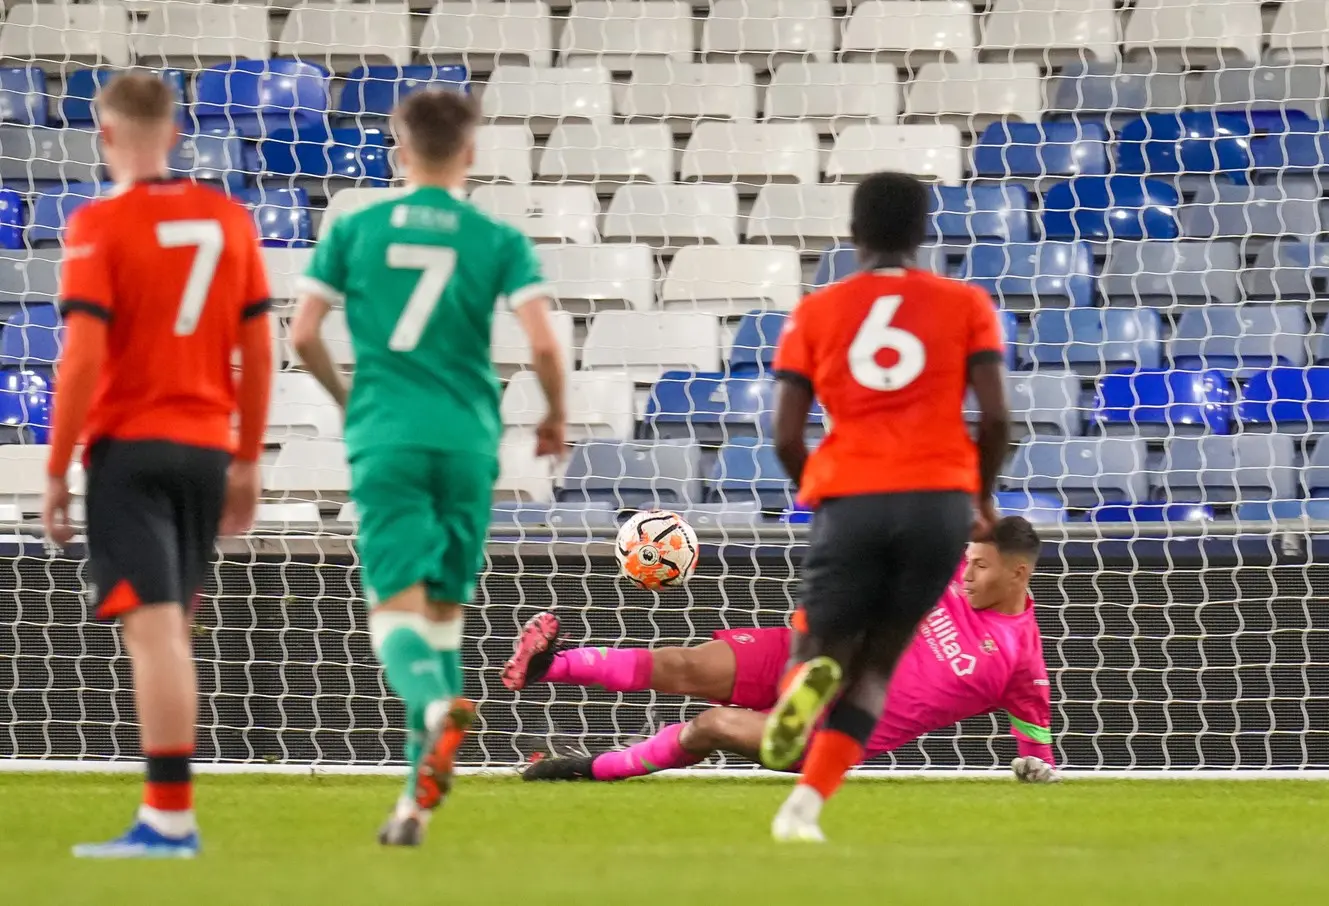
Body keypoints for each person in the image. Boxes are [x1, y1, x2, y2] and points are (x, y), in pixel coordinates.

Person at [290, 89, 567, 847]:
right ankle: (414, 807)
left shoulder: (355, 227)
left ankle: (437, 718)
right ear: (470, 152)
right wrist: (553, 415)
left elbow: (303, 331)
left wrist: (346, 398)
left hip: (389, 435)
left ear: (396, 151)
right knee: (443, 623)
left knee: (394, 618)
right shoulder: (495, 237)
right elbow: (544, 344)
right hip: (470, 442)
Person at [43, 73, 274, 858]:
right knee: (174, 627)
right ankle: (168, 816)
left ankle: (169, 820)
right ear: (176, 134)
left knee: (158, 633)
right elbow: (257, 346)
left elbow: (80, 359)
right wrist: (247, 459)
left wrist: (56, 470)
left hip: (131, 448)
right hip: (208, 447)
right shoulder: (227, 216)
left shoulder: (99, 224)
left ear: (105, 136)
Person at [759, 171, 1012, 840]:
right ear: (922, 232)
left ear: (854, 234)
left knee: (819, 644)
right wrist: (979, 494)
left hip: (852, 495)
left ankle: (802, 686)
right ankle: (802, 810)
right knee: (878, 665)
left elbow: (785, 433)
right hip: (938, 502)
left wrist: (820, 493)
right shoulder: (965, 305)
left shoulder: (815, 312)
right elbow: (995, 419)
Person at [505, 517, 1057, 787]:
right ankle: (550, 664)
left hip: (830, 732)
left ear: (1018, 573)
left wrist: (1035, 767)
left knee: (713, 725)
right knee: (687, 664)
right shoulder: (950, 568)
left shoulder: (1019, 661)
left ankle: (581, 769)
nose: (968, 573)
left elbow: (1037, 747)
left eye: (982, 566)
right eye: (969, 559)